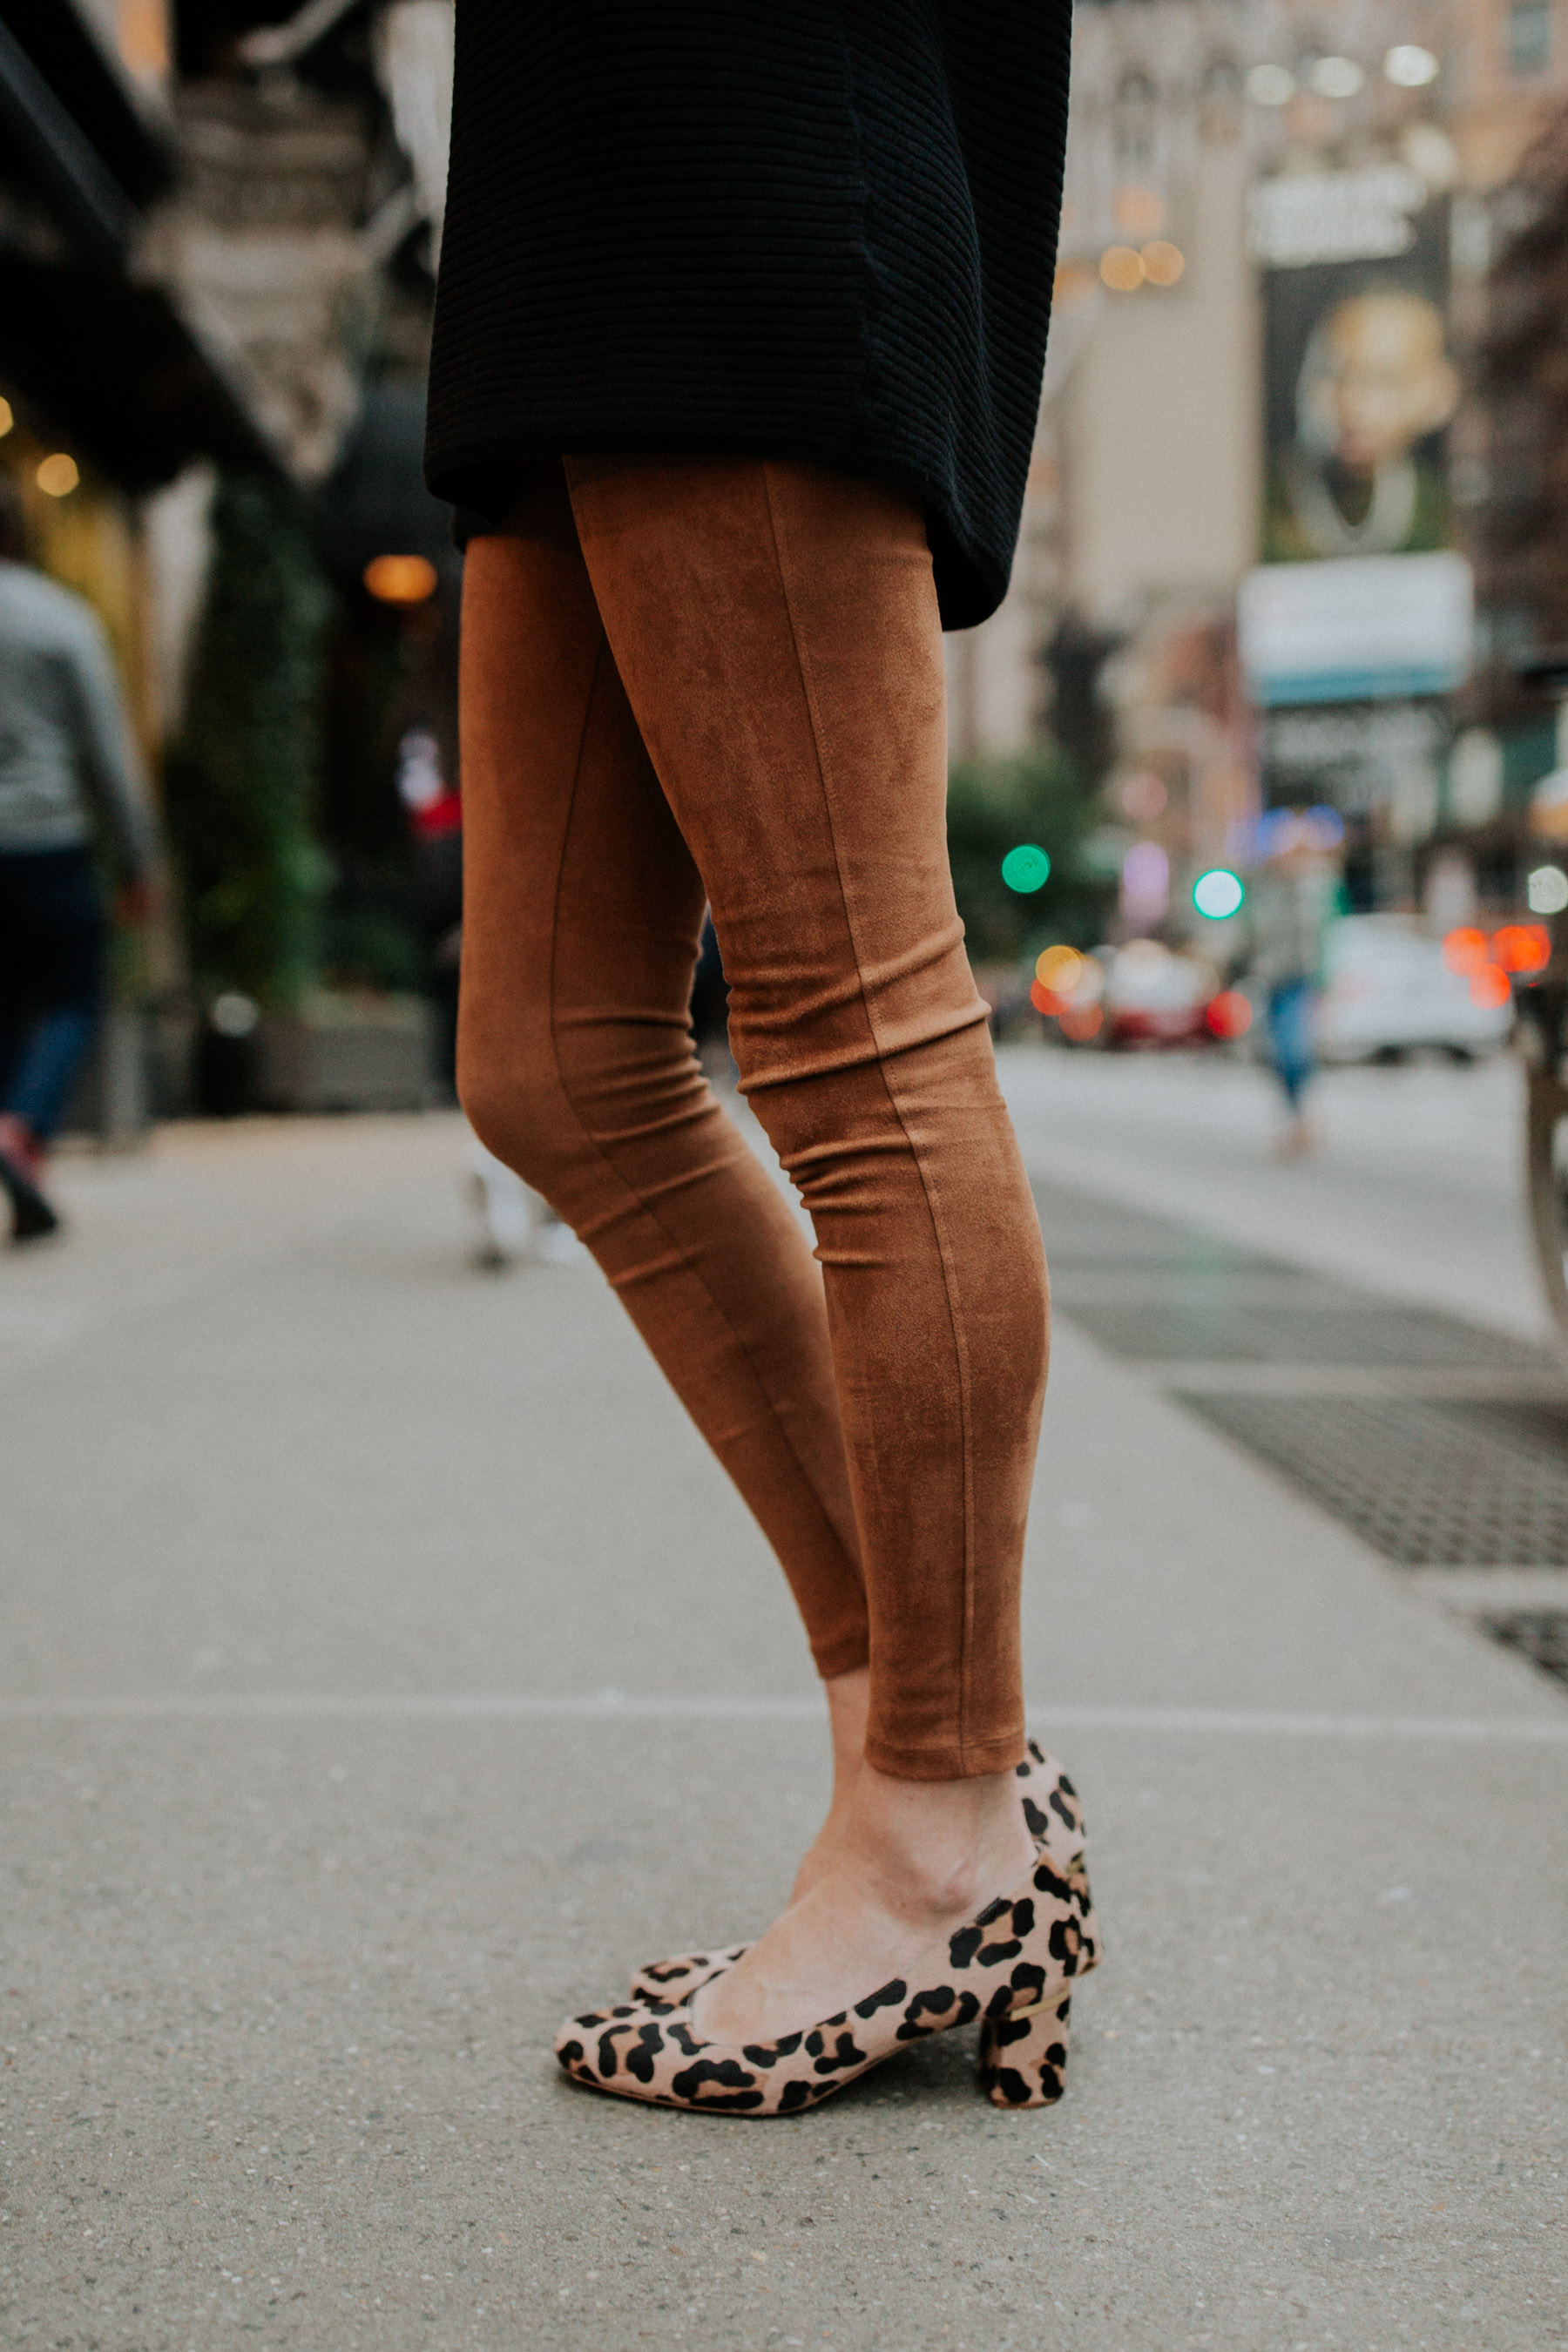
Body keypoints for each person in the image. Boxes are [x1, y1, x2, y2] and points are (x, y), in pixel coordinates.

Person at [425, 5, 1097, 2116]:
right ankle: (909, 1749)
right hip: (577, 180)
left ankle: (939, 1825)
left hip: (730, 116)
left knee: (853, 1018)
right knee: (551, 1053)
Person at [0, 472, 160, 1240]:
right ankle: (21, 1131)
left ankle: (13, 1141)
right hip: (45, 843)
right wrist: (139, 860)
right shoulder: (61, 619)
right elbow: (109, 753)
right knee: (71, 998)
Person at [1246, 818, 1341, 1158]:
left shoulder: (1317, 886)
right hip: (1272, 978)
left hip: (1301, 979)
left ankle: (1300, 1120)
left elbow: (1326, 934)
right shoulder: (1265, 887)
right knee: (1275, 1054)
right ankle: (1296, 1119)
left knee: (1294, 1051)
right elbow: (1253, 931)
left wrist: (1325, 980)